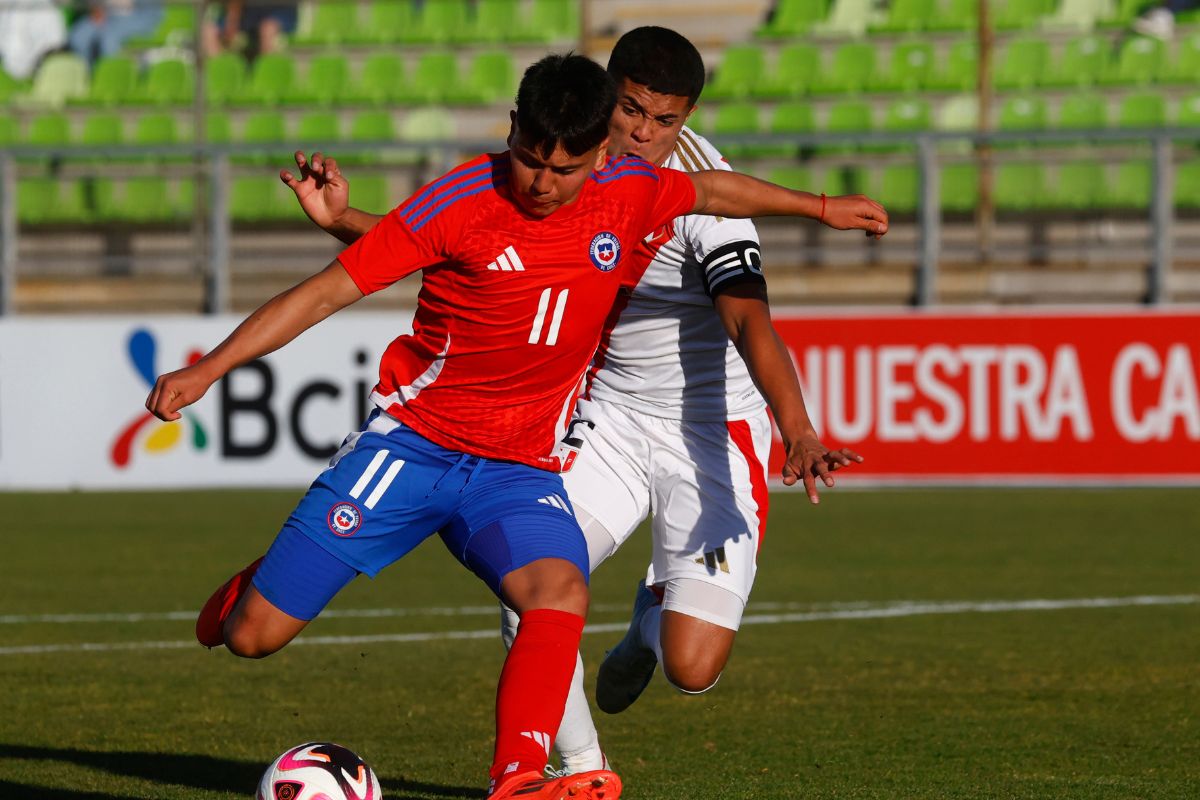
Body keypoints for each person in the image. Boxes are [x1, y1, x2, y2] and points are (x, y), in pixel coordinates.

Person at [154, 53, 886, 800]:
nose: (541, 183)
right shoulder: (457, 200)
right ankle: (249, 591)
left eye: (563, 170)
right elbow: (320, 295)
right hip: (412, 449)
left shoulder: (630, 192)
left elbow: (714, 191)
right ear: (513, 131)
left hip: (517, 469)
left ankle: (521, 779)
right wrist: (208, 369)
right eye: (529, 160)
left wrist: (822, 207)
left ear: (600, 153)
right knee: (254, 636)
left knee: (558, 593)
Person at [68, 0, 162, 67]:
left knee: (108, 41)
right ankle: (88, 77)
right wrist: (97, 9)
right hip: (107, 15)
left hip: (138, 16)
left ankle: (111, 80)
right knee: (78, 37)